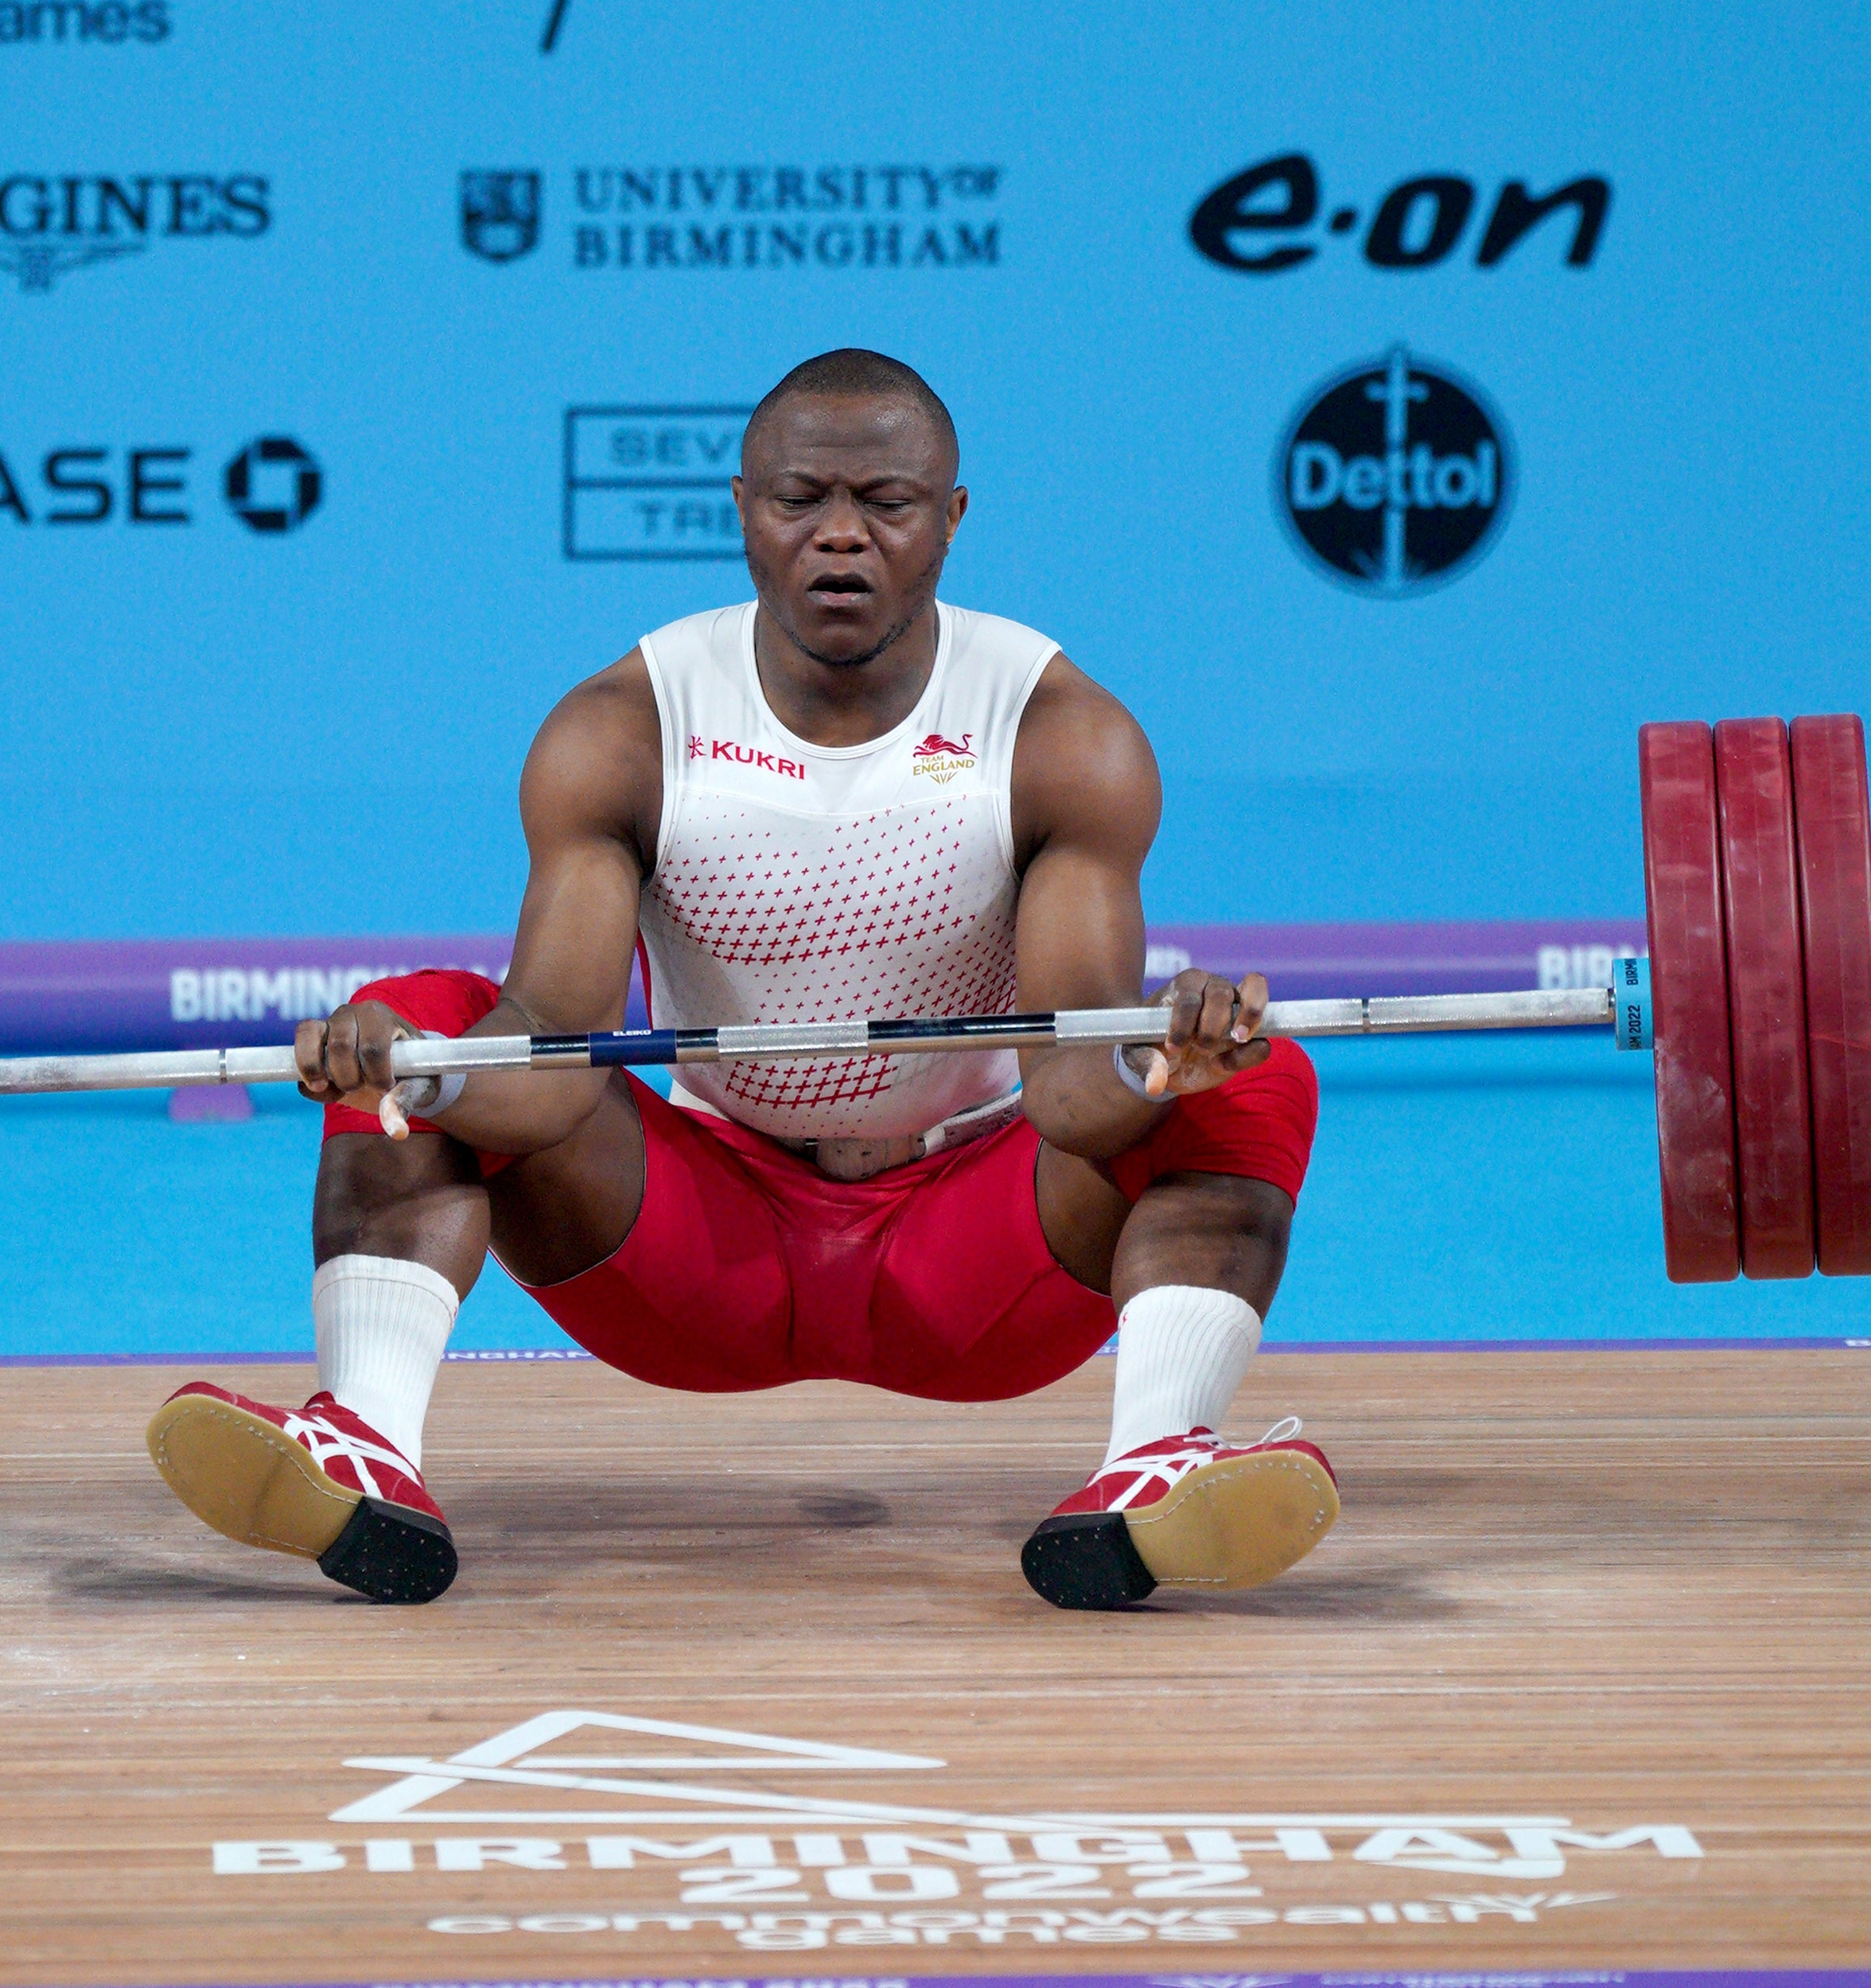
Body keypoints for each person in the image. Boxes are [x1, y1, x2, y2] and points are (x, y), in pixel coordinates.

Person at [144, 348, 1332, 1609]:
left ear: (952, 516)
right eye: (798, 498)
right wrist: (417, 1079)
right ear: (739, 508)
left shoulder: (1059, 738)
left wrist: (1160, 1065)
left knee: (1259, 1076)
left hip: (973, 1264)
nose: (839, 537)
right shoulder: (622, 728)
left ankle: (1152, 1466)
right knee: (434, 1021)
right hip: (699, 1254)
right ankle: (363, 1442)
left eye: (885, 501)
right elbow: (548, 1058)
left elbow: (1071, 1101)